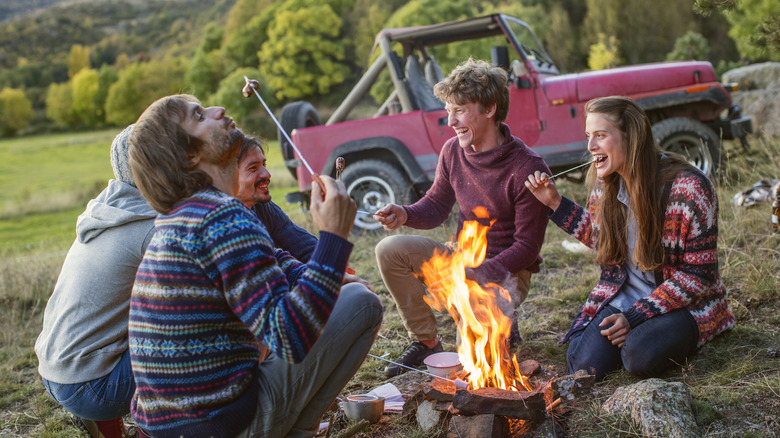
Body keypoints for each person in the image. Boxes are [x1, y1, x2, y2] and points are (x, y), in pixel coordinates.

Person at [126, 94, 382, 438]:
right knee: (363, 305)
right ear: (188, 155)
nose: (219, 110)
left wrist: (330, 275)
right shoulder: (221, 217)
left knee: (349, 292)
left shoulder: (186, 215)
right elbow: (290, 338)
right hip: (219, 426)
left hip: (171, 425)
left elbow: (271, 262)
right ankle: (296, 431)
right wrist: (334, 237)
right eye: (200, 115)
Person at [524, 96, 735, 380]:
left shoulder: (689, 189)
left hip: (685, 303)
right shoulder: (605, 184)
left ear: (631, 137)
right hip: (625, 295)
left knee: (638, 356)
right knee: (582, 365)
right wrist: (555, 203)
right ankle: (636, 334)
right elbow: (605, 243)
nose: (590, 147)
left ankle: (670, 333)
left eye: (600, 135)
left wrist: (636, 317)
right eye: (588, 136)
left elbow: (699, 275)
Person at [373, 58, 551, 377]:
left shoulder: (527, 167)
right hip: (460, 260)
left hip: (507, 272)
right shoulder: (452, 151)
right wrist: (404, 214)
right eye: (448, 111)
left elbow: (527, 246)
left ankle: (501, 321)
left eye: (460, 110)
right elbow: (436, 206)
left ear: (489, 109)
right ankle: (425, 341)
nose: (451, 121)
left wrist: (479, 274)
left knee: (468, 361)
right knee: (389, 250)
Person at [35, 125, 156, 438]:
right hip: (91, 385)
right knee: (187, 337)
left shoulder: (108, 210)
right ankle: (152, 430)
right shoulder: (151, 227)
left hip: (53, 370)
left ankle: (108, 429)